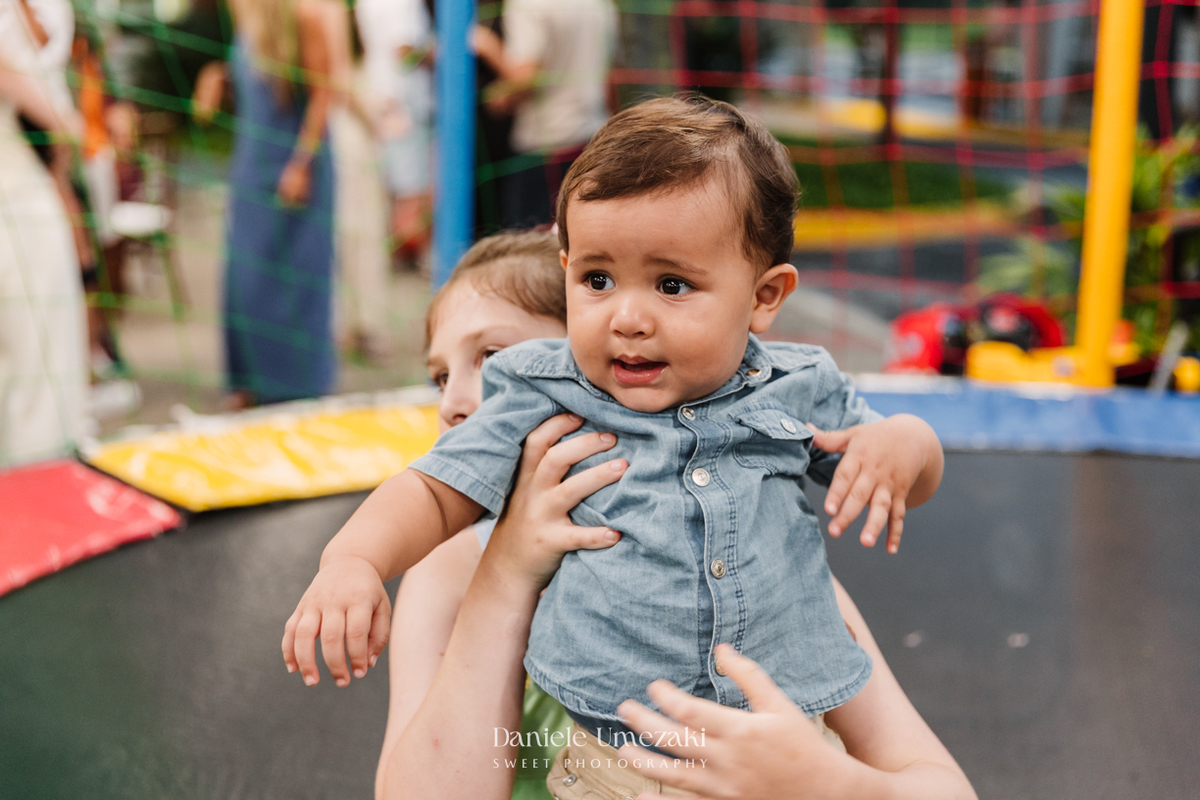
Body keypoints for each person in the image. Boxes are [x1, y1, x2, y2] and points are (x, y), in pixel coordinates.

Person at [284, 96, 946, 793]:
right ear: (570, 271)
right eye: (597, 280)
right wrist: (353, 559)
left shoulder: (795, 400)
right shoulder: (542, 399)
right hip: (612, 772)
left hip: (773, 757)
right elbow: (429, 487)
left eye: (671, 284)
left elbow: (904, 465)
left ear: (764, 296)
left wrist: (906, 440)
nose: (627, 317)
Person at [366, 229, 973, 799]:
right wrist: (506, 571)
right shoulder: (445, 573)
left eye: (497, 360)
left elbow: (940, 784)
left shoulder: (747, 570)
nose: (454, 403)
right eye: (439, 377)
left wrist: (833, 784)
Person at [193, 0, 340, 407]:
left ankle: (297, 385)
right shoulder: (245, 15)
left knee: (296, 277)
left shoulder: (305, 15)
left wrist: (302, 163)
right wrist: (217, 77)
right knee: (245, 272)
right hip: (251, 161)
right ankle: (248, 380)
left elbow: (323, 92)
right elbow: (253, 76)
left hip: (295, 163)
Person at [0, 0, 88, 465]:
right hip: (14, 184)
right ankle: (36, 477)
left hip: (27, 175)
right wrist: (61, 119)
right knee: (38, 349)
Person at [474, 0, 617, 229]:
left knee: (526, 248)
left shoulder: (527, 4)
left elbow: (526, 80)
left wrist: (487, 46)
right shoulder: (600, 4)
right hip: (592, 138)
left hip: (543, 147)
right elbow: (609, 76)